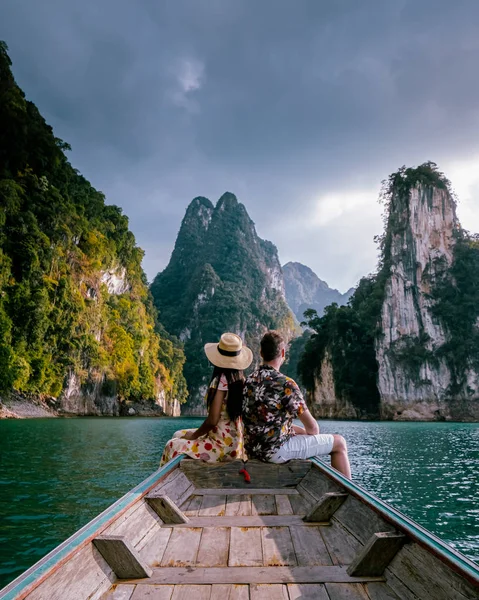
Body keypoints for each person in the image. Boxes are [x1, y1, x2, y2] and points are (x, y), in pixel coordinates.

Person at [243, 330, 351, 478]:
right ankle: (348, 494)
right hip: (274, 452)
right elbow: (313, 429)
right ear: (282, 353)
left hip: (252, 450)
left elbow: (264, 421)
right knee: (339, 443)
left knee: (301, 438)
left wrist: (294, 430)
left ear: (261, 353)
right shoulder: (285, 384)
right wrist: (303, 431)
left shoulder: (249, 381)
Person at [160, 332, 253, 466]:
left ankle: (164, 483)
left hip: (220, 447)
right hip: (235, 446)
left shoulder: (221, 381)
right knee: (178, 433)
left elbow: (212, 420)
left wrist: (194, 436)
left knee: (171, 444)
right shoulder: (241, 381)